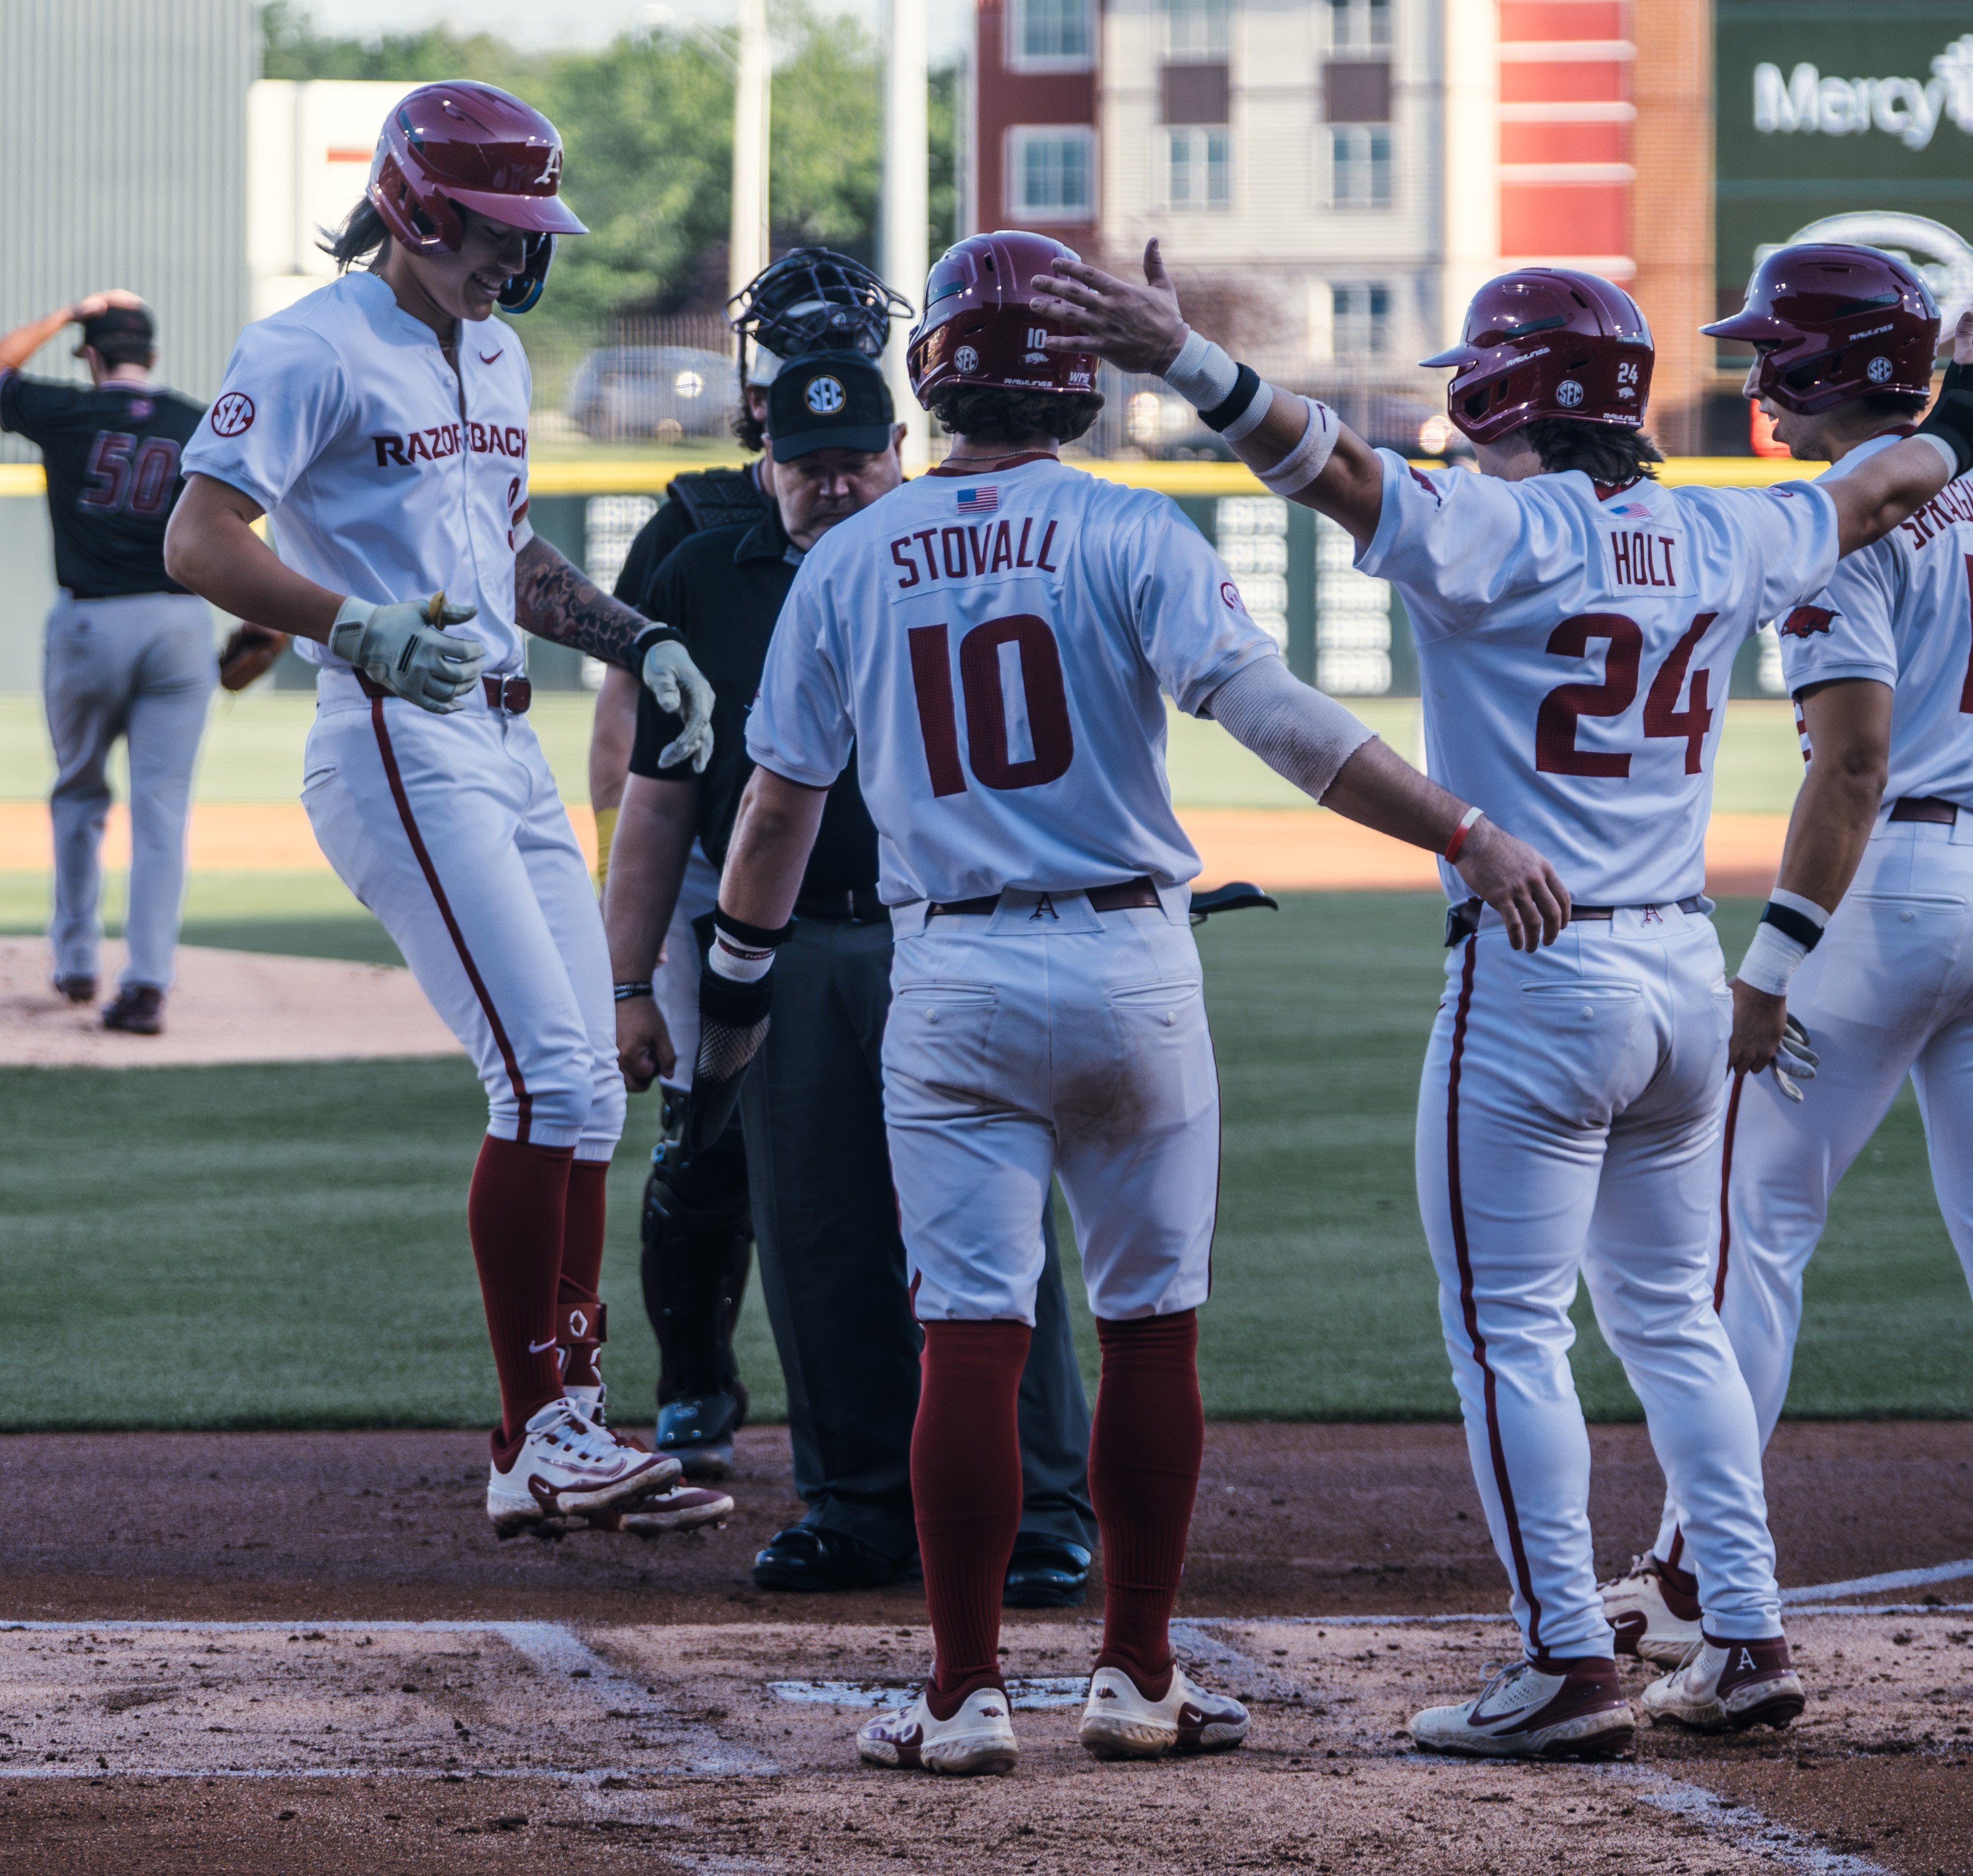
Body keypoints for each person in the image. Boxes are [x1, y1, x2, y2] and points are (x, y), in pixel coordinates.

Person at [1028, 242, 1973, 1760]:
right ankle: (1741, 1633)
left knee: (1506, 1328)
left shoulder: (1494, 522)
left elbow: (1329, 468)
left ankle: (1563, 1655)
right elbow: (1879, 492)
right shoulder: (1715, 536)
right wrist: (1958, 425)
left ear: (1510, 392)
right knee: (1673, 1326)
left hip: (1538, 962)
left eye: (1475, 385)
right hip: (1686, 967)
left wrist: (1182, 359)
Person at [710, 229, 1571, 1777]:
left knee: (966, 1331)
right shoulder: (1131, 532)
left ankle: (964, 1692)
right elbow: (1288, 730)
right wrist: (1466, 827)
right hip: (1127, 960)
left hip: (951, 968)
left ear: (929, 382)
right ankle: (1136, 1671)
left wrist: (733, 987)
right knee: (1148, 1328)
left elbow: (775, 813)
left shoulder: (847, 552)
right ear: (1076, 382)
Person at [161, 80, 729, 1540]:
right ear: (414, 206)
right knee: (542, 1077)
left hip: (499, 741)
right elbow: (198, 535)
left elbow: (510, 547)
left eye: (529, 231)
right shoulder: (308, 345)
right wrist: (350, 630)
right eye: (496, 227)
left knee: (591, 1084)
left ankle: (557, 1430)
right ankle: (539, 1432)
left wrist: (635, 635)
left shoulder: (495, 348)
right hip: (390, 737)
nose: (517, 257)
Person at [1606, 246, 1973, 1707]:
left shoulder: (1826, 529)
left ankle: (1701, 1573)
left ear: (1828, 374)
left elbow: (1854, 763)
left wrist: (1769, 963)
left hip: (1886, 892)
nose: (1756, 377)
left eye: (1776, 354)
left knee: (1754, 1231)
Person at [605, 350, 1103, 1604]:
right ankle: (858, 1504)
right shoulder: (700, 578)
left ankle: (1042, 1508)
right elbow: (658, 806)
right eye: (806, 464)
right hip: (787, 938)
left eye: (856, 461)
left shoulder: (955, 555)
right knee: (814, 1228)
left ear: (901, 452)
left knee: (992, 1226)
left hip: (950, 926)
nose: (833, 485)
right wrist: (627, 981)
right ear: (764, 460)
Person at [586, 247, 913, 1482]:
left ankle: (914, 1419)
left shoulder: (916, 524)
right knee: (704, 1141)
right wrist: (645, 908)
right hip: (712, 864)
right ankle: (696, 1385)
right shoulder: (695, 523)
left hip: (894, 886)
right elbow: (629, 719)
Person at [0, 290, 212, 1036]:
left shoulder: (68, 411)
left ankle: (75, 960)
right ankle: (147, 984)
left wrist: (68, 313)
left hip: (91, 621)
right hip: (179, 623)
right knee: (162, 809)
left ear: (93, 357)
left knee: (78, 793)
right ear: (154, 357)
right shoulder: (193, 423)